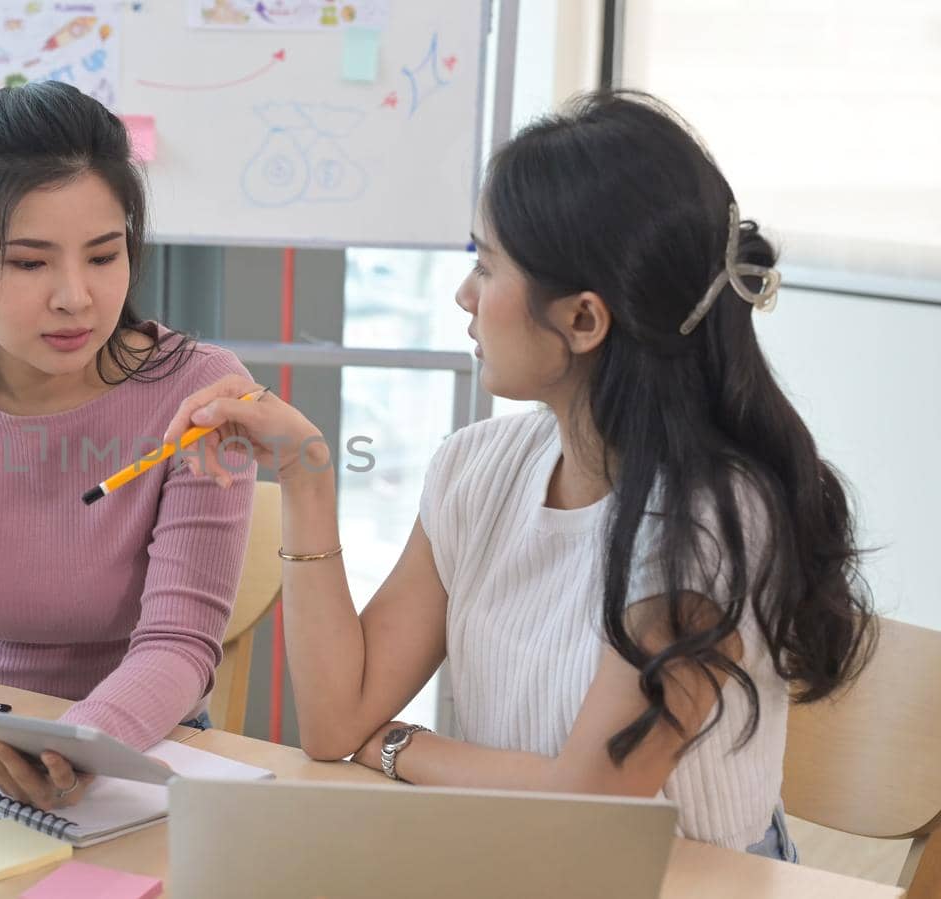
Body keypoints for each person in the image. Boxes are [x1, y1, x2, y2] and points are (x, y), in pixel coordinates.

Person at [164, 90, 874, 858]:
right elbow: (338, 721)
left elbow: (587, 803)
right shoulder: (478, 467)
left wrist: (401, 746)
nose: (464, 294)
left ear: (582, 320)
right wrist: (307, 477)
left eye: (487, 263)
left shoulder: (708, 522)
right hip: (517, 860)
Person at [0, 80, 256, 810]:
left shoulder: (202, 393)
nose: (75, 296)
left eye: (103, 255)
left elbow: (180, 644)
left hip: (144, 747)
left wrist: (74, 744)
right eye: (31, 262)